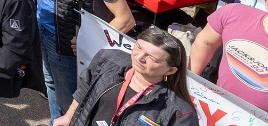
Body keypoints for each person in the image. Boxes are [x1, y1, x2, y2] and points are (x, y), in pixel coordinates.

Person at [54, 26, 197, 126]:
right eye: (139, 47)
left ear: (170, 71)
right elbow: (86, 86)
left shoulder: (180, 113)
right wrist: (69, 116)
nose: (139, 57)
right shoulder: (107, 59)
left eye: (151, 58)